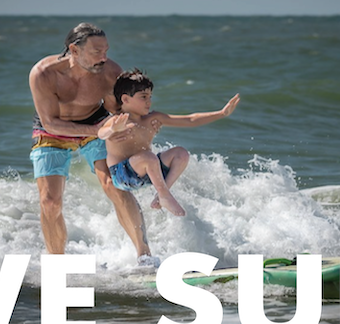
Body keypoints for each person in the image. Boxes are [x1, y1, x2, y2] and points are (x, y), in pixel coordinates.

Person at [29, 22, 156, 265]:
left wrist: (138, 127)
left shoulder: (109, 72)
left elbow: (120, 110)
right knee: (50, 201)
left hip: (96, 122)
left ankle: (145, 257)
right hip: (53, 130)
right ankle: (57, 264)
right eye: (97, 52)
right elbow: (50, 123)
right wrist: (96, 131)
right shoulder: (43, 73)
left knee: (114, 183)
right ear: (74, 50)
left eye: (106, 50)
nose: (104, 57)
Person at [98, 68, 240, 216]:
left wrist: (221, 113)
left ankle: (162, 194)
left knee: (181, 153)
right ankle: (165, 195)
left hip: (148, 172)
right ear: (126, 99)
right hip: (123, 175)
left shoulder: (153, 119)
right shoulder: (118, 120)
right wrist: (112, 129)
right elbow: (101, 133)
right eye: (143, 97)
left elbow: (190, 120)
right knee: (148, 156)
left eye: (150, 97)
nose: (149, 102)